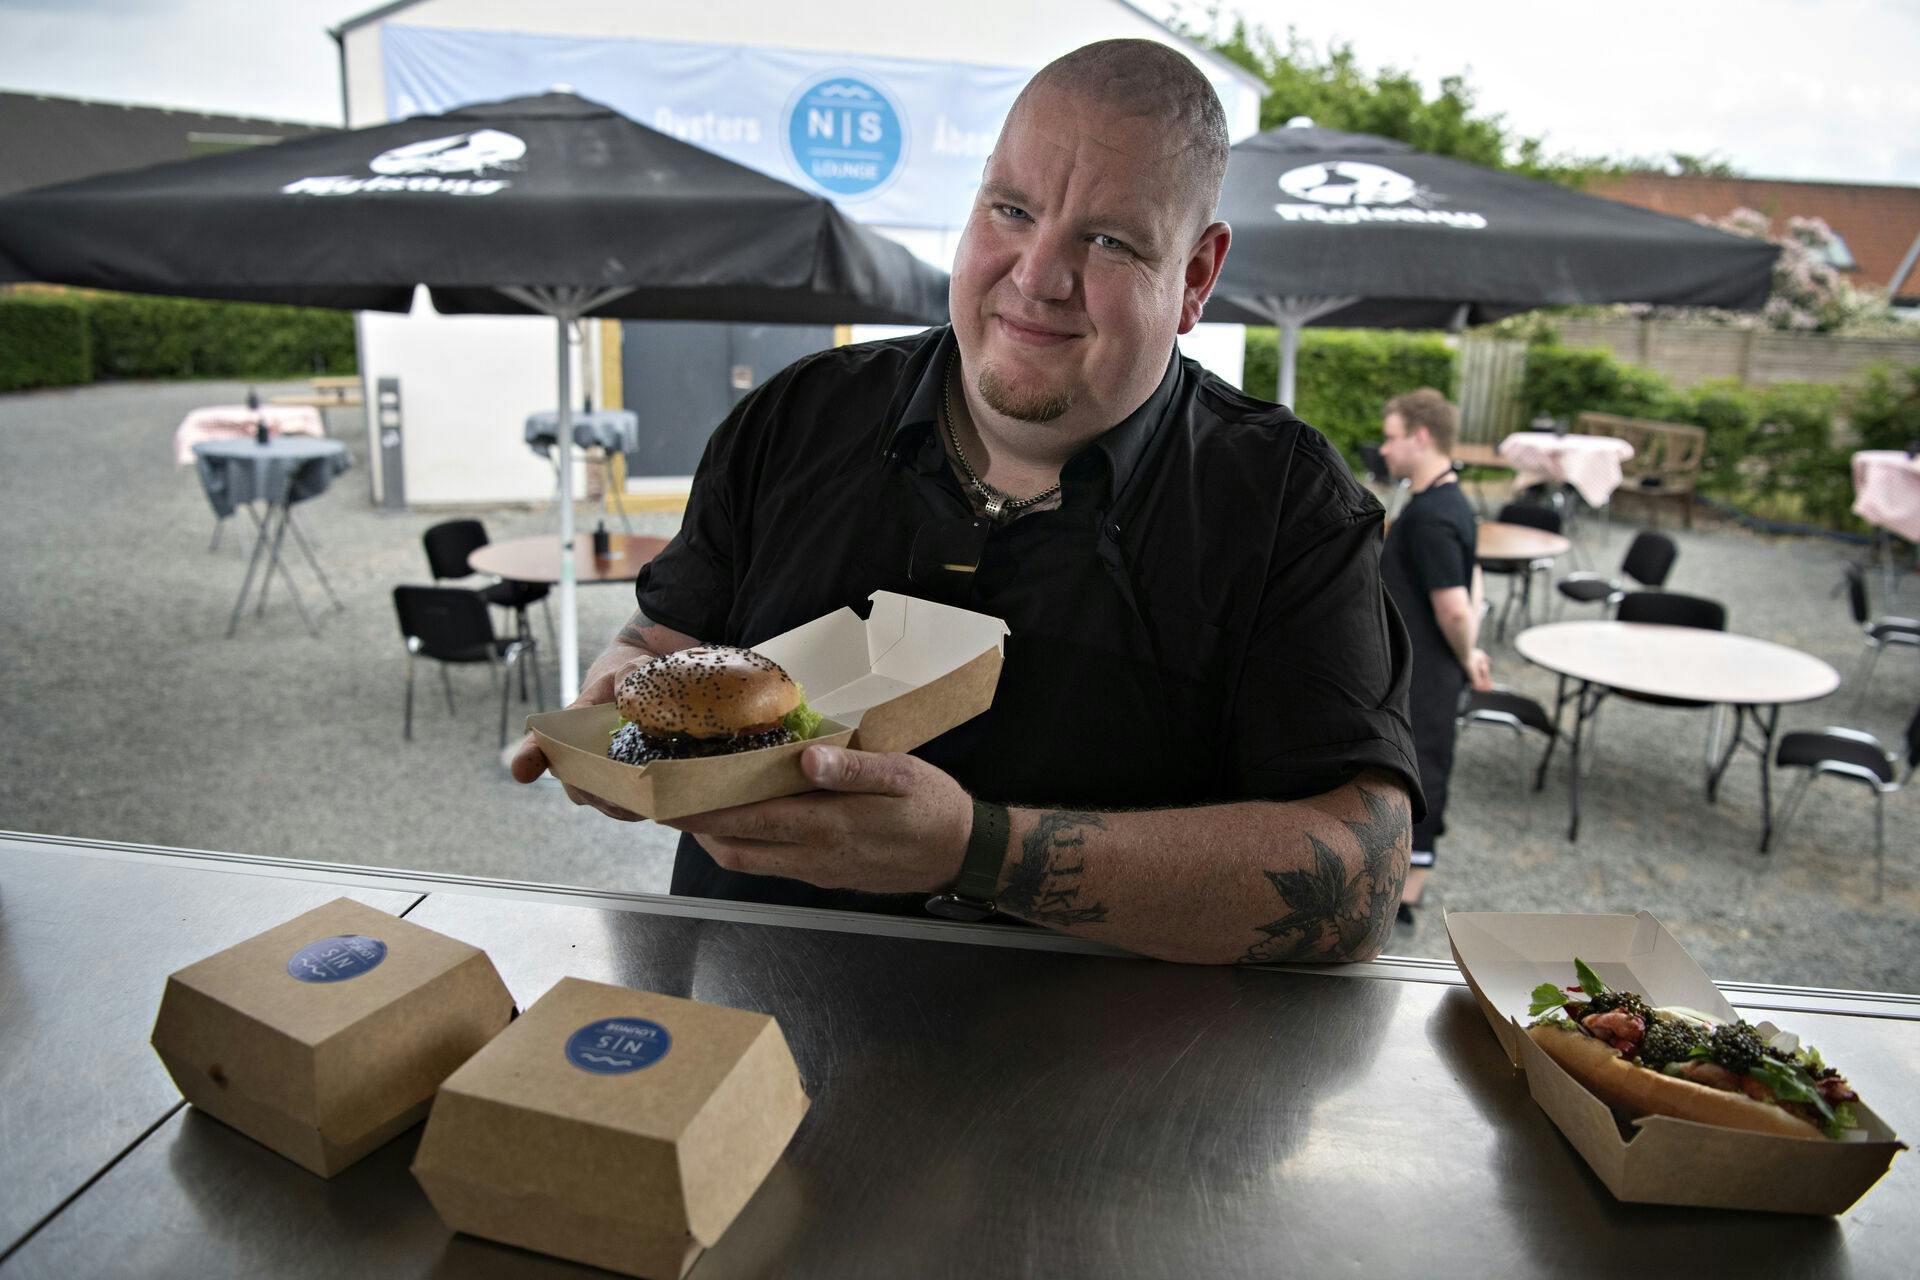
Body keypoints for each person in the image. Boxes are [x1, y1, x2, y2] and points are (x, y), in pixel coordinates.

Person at [513, 39, 1422, 965]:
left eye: (1108, 240)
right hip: (736, 1035)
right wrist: (613, 697)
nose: (1037, 276)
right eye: (1013, 210)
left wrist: (976, 850)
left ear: (1194, 277)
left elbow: (1365, 875)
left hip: (1106, 1075)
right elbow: (667, 640)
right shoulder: (795, 419)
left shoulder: (1283, 505)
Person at [1376, 389, 1493, 917]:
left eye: (1392, 436)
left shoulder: (1431, 518)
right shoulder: (1448, 501)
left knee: (1423, 768)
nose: (1384, 448)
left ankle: (1407, 897)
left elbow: (1453, 607)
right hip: (1423, 663)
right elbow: (1472, 576)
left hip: (1427, 671)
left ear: (1421, 438)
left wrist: (1468, 655)